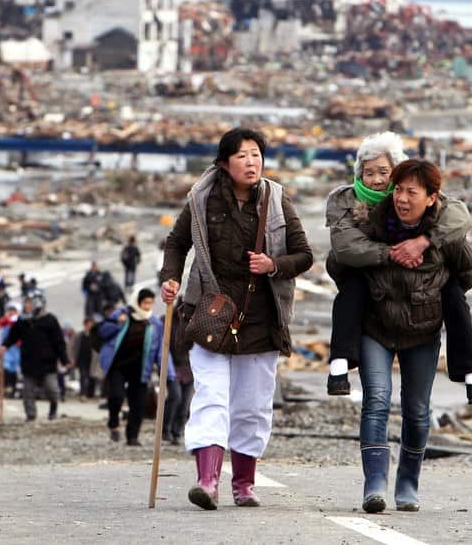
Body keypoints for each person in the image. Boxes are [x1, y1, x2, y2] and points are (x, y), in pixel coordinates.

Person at [160, 127, 313, 510]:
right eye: (243, 155)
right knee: (211, 395)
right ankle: (207, 481)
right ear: (225, 163)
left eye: (256, 154)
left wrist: (273, 264)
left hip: (261, 320)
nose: (251, 161)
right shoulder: (201, 200)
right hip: (209, 314)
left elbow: (304, 255)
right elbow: (177, 242)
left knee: (253, 404)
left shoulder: (277, 200)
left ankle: (243, 484)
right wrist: (170, 278)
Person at [324, 131, 472, 405]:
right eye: (369, 172)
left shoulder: (419, 200)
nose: (376, 180)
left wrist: (424, 242)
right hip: (374, 308)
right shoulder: (346, 201)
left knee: (453, 294)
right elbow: (344, 248)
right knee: (353, 289)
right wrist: (393, 253)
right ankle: (339, 365)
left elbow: (459, 215)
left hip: (421, 309)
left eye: (384, 172)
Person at [357, 159, 472, 513]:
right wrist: (385, 259)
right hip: (375, 326)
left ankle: (408, 482)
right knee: (376, 400)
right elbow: (339, 263)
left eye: (412, 191)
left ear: (431, 198)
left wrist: (432, 284)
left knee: (417, 411)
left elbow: (469, 274)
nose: (402, 198)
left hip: (423, 331)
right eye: (398, 190)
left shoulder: (446, 233)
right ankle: (374, 484)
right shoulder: (373, 222)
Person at [97, 288, 160, 446]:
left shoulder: (154, 323)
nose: (147, 306)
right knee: (116, 396)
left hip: (140, 369)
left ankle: (132, 437)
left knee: (138, 405)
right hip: (118, 365)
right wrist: (119, 323)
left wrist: (168, 373)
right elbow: (102, 332)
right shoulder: (121, 314)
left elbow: (160, 349)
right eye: (145, 302)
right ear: (138, 302)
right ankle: (113, 423)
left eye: (150, 303)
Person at [0, 293, 70, 421]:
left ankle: (53, 408)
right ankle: (30, 415)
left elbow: (58, 341)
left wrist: (64, 359)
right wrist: (5, 345)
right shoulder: (22, 321)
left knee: (51, 389)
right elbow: (13, 336)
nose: (26, 306)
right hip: (28, 362)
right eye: (25, 303)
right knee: (28, 391)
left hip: (47, 363)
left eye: (29, 303)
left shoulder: (50, 320)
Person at [162, 328, 193, 446]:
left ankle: (177, 432)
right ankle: (166, 428)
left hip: (190, 370)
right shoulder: (169, 322)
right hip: (173, 367)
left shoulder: (196, 321)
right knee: (175, 397)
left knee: (185, 404)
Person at [0, 302, 22, 398]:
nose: (12, 312)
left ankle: (14, 389)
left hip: (17, 348)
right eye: (10, 310)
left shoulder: (21, 321)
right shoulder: (3, 322)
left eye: (14, 310)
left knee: (16, 369)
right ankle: (5, 387)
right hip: (6, 349)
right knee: (5, 367)